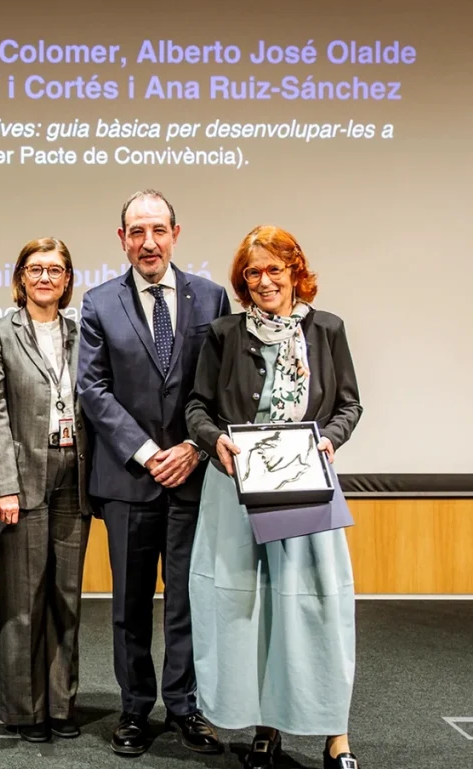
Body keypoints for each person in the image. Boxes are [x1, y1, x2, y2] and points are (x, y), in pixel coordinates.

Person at [184, 225, 362, 769]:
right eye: (253, 272)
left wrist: (328, 441)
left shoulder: (328, 330)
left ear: (294, 272)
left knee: (315, 612)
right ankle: (265, 729)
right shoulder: (222, 334)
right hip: (236, 491)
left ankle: (337, 737)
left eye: (273, 270)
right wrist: (218, 443)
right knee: (246, 612)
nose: (263, 281)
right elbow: (197, 409)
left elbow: (348, 406)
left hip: (305, 487)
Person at [77, 189, 231, 756]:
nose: (148, 242)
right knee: (130, 603)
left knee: (189, 600)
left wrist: (193, 445)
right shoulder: (98, 302)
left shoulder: (211, 298)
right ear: (122, 239)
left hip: (195, 475)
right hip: (129, 480)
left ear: (175, 232)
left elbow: (219, 386)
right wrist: (147, 452)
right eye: (136, 232)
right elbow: (92, 389)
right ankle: (136, 708)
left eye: (157, 230)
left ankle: (186, 707)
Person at [0, 238, 93, 742]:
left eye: (56, 270)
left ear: (68, 280)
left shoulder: (82, 333)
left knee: (66, 596)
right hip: (21, 479)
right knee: (24, 600)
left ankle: (62, 706)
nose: (45, 277)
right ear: (20, 277)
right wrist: (2, 485)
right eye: (35, 269)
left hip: (75, 472)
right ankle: (25, 711)